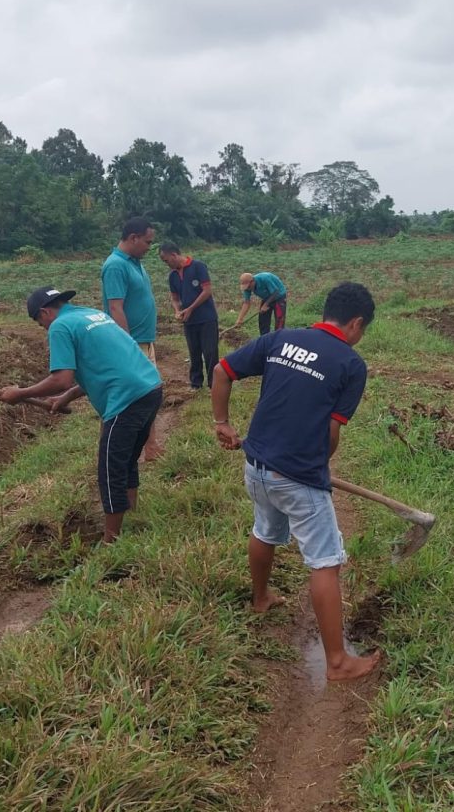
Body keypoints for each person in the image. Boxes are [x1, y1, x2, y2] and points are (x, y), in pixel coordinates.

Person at [211, 281, 381, 682]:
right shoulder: (350, 364)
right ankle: (338, 662)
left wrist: (221, 422)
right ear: (356, 323)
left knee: (265, 530)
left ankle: (260, 599)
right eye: (363, 329)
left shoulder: (281, 338)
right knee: (326, 560)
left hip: (256, 467)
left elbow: (222, 370)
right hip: (298, 479)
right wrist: (316, 467)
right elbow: (331, 435)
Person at [1, 287, 162, 543]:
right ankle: (132, 515)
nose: (42, 327)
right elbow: (102, 364)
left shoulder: (60, 326)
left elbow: (61, 378)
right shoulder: (92, 315)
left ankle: (111, 541)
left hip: (126, 399)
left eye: (38, 321)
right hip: (150, 388)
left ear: (44, 311)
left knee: (110, 470)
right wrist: (66, 398)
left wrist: (20, 393)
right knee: (128, 460)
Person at [158, 242, 220, 390]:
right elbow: (175, 298)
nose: (166, 264)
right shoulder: (172, 276)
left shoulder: (198, 266)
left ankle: (214, 384)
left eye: (166, 260)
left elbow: (207, 291)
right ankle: (196, 384)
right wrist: (177, 311)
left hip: (207, 317)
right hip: (189, 320)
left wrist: (191, 308)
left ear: (174, 255)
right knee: (194, 352)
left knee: (210, 352)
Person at [101, 217, 158, 362]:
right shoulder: (116, 265)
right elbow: (115, 308)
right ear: (134, 238)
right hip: (132, 344)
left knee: (152, 384)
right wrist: (127, 345)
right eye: (148, 242)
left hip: (144, 342)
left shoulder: (134, 262)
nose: (149, 247)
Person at [229, 271, 287, 336]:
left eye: (248, 286)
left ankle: (278, 338)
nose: (248, 289)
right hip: (266, 297)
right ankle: (264, 339)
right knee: (263, 319)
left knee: (279, 320)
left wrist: (265, 305)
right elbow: (246, 303)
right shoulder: (247, 288)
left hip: (279, 296)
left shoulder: (265, 278)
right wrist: (240, 319)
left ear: (252, 281)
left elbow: (275, 292)